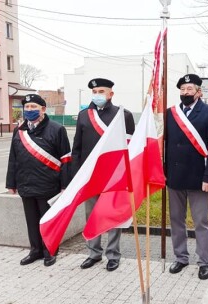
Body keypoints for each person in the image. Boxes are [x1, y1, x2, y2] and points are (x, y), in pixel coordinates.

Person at [71, 78, 135, 272]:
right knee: (91, 215)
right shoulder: (84, 116)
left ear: (111, 94)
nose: (97, 95)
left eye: (101, 91)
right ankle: (93, 253)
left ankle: (113, 255)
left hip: (114, 176)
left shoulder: (123, 115)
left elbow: (129, 147)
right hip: (90, 176)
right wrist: (76, 175)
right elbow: (77, 149)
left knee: (112, 215)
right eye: (95, 91)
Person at [165, 74, 208, 280]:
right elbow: (165, 145)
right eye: (182, 90)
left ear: (199, 92)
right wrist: (164, 174)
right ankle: (180, 258)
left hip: (199, 178)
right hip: (175, 177)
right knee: (176, 220)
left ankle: (204, 262)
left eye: (189, 89)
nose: (185, 93)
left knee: (201, 222)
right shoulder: (171, 114)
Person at [5, 94, 72, 266]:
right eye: (26, 107)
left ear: (43, 109)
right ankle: (35, 250)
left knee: (47, 221)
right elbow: (13, 158)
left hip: (48, 186)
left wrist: (65, 185)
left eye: (33, 107)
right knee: (31, 221)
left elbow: (66, 160)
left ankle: (50, 250)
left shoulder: (57, 129)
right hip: (26, 185)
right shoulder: (19, 130)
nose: (29, 110)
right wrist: (11, 183)